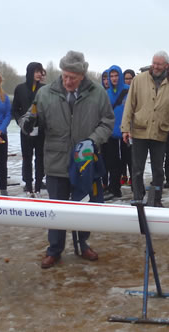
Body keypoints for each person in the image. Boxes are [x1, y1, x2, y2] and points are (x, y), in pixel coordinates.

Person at [19, 50, 114, 269]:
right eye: (65, 75)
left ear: (82, 75)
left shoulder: (98, 93)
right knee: (57, 210)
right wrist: (27, 122)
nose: (68, 80)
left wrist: (92, 140)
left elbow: (107, 121)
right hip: (56, 160)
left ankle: (82, 244)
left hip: (84, 161)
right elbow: (30, 115)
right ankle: (54, 249)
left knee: (83, 207)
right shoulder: (45, 93)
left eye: (73, 77)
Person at [121, 51, 169, 207]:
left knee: (158, 170)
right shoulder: (138, 80)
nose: (155, 66)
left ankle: (156, 199)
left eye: (159, 64)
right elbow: (129, 105)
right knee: (137, 168)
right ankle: (137, 196)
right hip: (140, 130)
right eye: (153, 62)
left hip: (160, 132)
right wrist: (125, 128)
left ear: (166, 66)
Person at [12, 62, 46, 197]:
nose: (39, 74)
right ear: (30, 72)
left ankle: (38, 184)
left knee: (40, 157)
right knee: (27, 158)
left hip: (41, 129)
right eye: (36, 71)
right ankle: (28, 183)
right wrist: (21, 123)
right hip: (26, 130)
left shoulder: (44, 89)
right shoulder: (20, 89)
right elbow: (14, 109)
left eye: (40, 71)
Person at [102, 65, 129, 199]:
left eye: (116, 75)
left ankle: (137, 188)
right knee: (112, 162)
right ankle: (114, 189)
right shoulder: (106, 93)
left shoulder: (128, 90)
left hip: (127, 132)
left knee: (130, 161)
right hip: (111, 134)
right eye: (111, 76)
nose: (113, 78)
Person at [120, 69, 136, 186]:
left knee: (133, 156)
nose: (128, 81)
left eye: (130, 78)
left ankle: (132, 176)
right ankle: (124, 175)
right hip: (122, 128)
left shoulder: (136, 91)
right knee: (123, 154)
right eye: (126, 78)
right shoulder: (121, 92)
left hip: (135, 129)